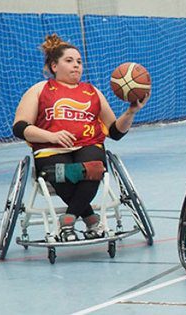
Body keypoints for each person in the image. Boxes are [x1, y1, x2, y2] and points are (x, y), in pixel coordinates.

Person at [12, 34, 148, 241]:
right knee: (60, 173)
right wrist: (51, 135)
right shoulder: (40, 90)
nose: (76, 66)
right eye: (69, 61)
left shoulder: (92, 92)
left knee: (94, 167)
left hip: (88, 145)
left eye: (79, 61)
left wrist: (131, 112)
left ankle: (68, 219)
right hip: (51, 149)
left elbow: (115, 132)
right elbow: (20, 127)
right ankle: (90, 218)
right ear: (54, 66)